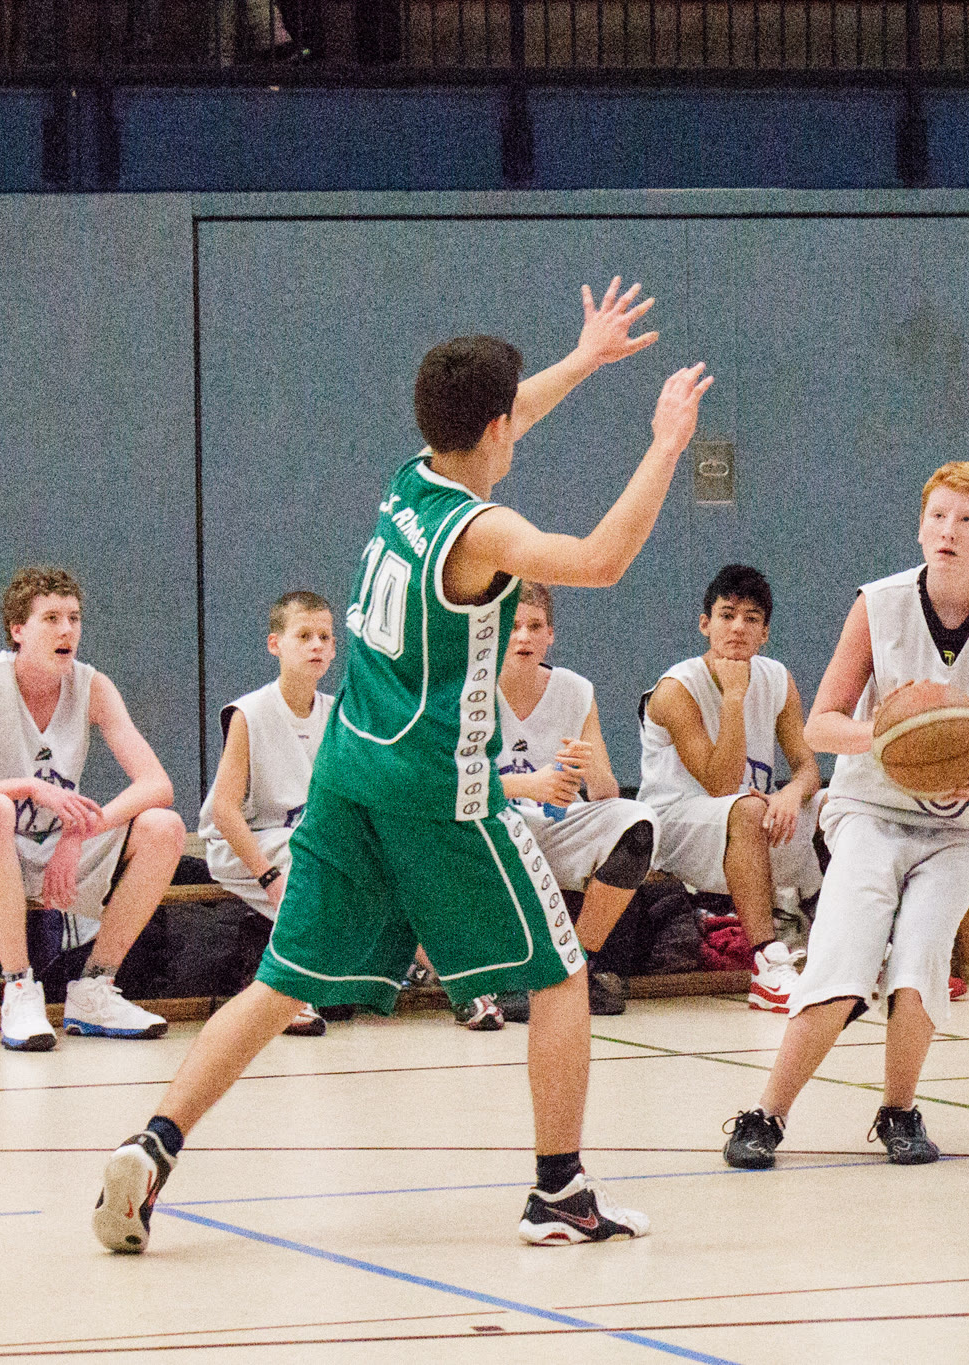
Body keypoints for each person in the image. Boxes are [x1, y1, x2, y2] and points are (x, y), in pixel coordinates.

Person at [92, 278, 705, 1254]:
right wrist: (665, 444)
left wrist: (584, 360)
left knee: (280, 983)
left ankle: (153, 1142)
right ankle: (559, 1191)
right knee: (560, 976)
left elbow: (502, 413)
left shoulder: (410, 479)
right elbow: (597, 559)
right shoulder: (482, 531)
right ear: (496, 429)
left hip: (347, 773)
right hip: (435, 790)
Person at [722, 461, 969, 1170]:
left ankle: (899, 1110)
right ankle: (766, 1114)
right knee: (842, 953)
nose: (949, 530)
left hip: (963, 826)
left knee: (920, 958)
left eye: (967, 519)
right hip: (870, 809)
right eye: (938, 516)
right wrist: (892, 736)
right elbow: (821, 724)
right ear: (921, 527)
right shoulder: (879, 603)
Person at [0, 566, 187, 1051]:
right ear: (18, 630)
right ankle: (19, 988)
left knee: (164, 827)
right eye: (51, 619)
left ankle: (95, 987)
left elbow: (156, 784)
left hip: (49, 848)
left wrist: (79, 831)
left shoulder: (92, 686)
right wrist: (25, 787)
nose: (66, 630)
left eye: (74, 618)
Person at [638, 565, 825, 1012]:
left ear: (765, 633)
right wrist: (734, 697)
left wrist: (789, 794)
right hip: (675, 829)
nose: (738, 627)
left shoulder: (777, 678)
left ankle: (844, 943)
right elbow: (721, 785)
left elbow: (807, 767)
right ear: (705, 624)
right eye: (727, 615)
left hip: (751, 824)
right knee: (744, 809)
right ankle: (766, 963)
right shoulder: (676, 689)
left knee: (836, 806)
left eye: (751, 618)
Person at [485, 581, 659, 1020]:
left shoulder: (575, 690)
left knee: (637, 822)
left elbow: (604, 794)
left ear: (551, 635)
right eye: (512, 626)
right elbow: (448, 783)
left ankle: (574, 967)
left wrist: (587, 768)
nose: (523, 637)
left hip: (554, 824)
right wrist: (529, 785)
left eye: (534, 626)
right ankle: (502, 974)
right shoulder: (469, 690)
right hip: (490, 829)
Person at [196, 589, 346, 1037]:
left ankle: (451, 980)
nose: (316, 645)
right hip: (242, 843)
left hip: (304, 841)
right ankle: (289, 992)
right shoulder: (250, 712)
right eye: (304, 636)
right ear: (275, 644)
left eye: (325, 637)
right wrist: (267, 877)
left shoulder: (338, 713)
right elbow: (224, 810)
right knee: (304, 865)